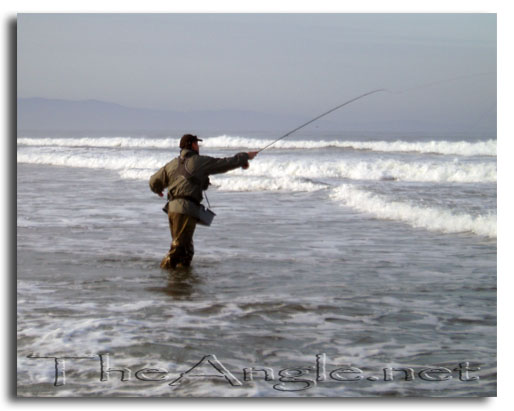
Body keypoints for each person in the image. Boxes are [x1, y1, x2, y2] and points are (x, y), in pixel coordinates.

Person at [149, 134, 258, 269]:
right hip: (186, 209)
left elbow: (154, 181)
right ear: (193, 145)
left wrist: (157, 190)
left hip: (173, 209)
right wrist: (245, 156)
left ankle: (180, 281)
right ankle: (162, 275)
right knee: (179, 248)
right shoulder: (199, 161)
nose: (198, 146)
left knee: (187, 250)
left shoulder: (172, 164)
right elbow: (224, 164)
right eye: (197, 144)